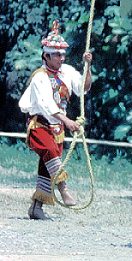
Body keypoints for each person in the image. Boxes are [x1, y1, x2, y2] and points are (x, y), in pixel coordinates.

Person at [19, 20, 93, 220]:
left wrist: (88, 66)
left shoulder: (67, 71)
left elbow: (83, 88)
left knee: (47, 166)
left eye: (63, 54)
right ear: (46, 55)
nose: (61, 58)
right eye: (57, 54)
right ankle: (64, 188)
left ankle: (36, 207)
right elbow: (47, 106)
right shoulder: (39, 78)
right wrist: (68, 122)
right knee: (51, 153)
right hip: (39, 124)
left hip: (57, 128)